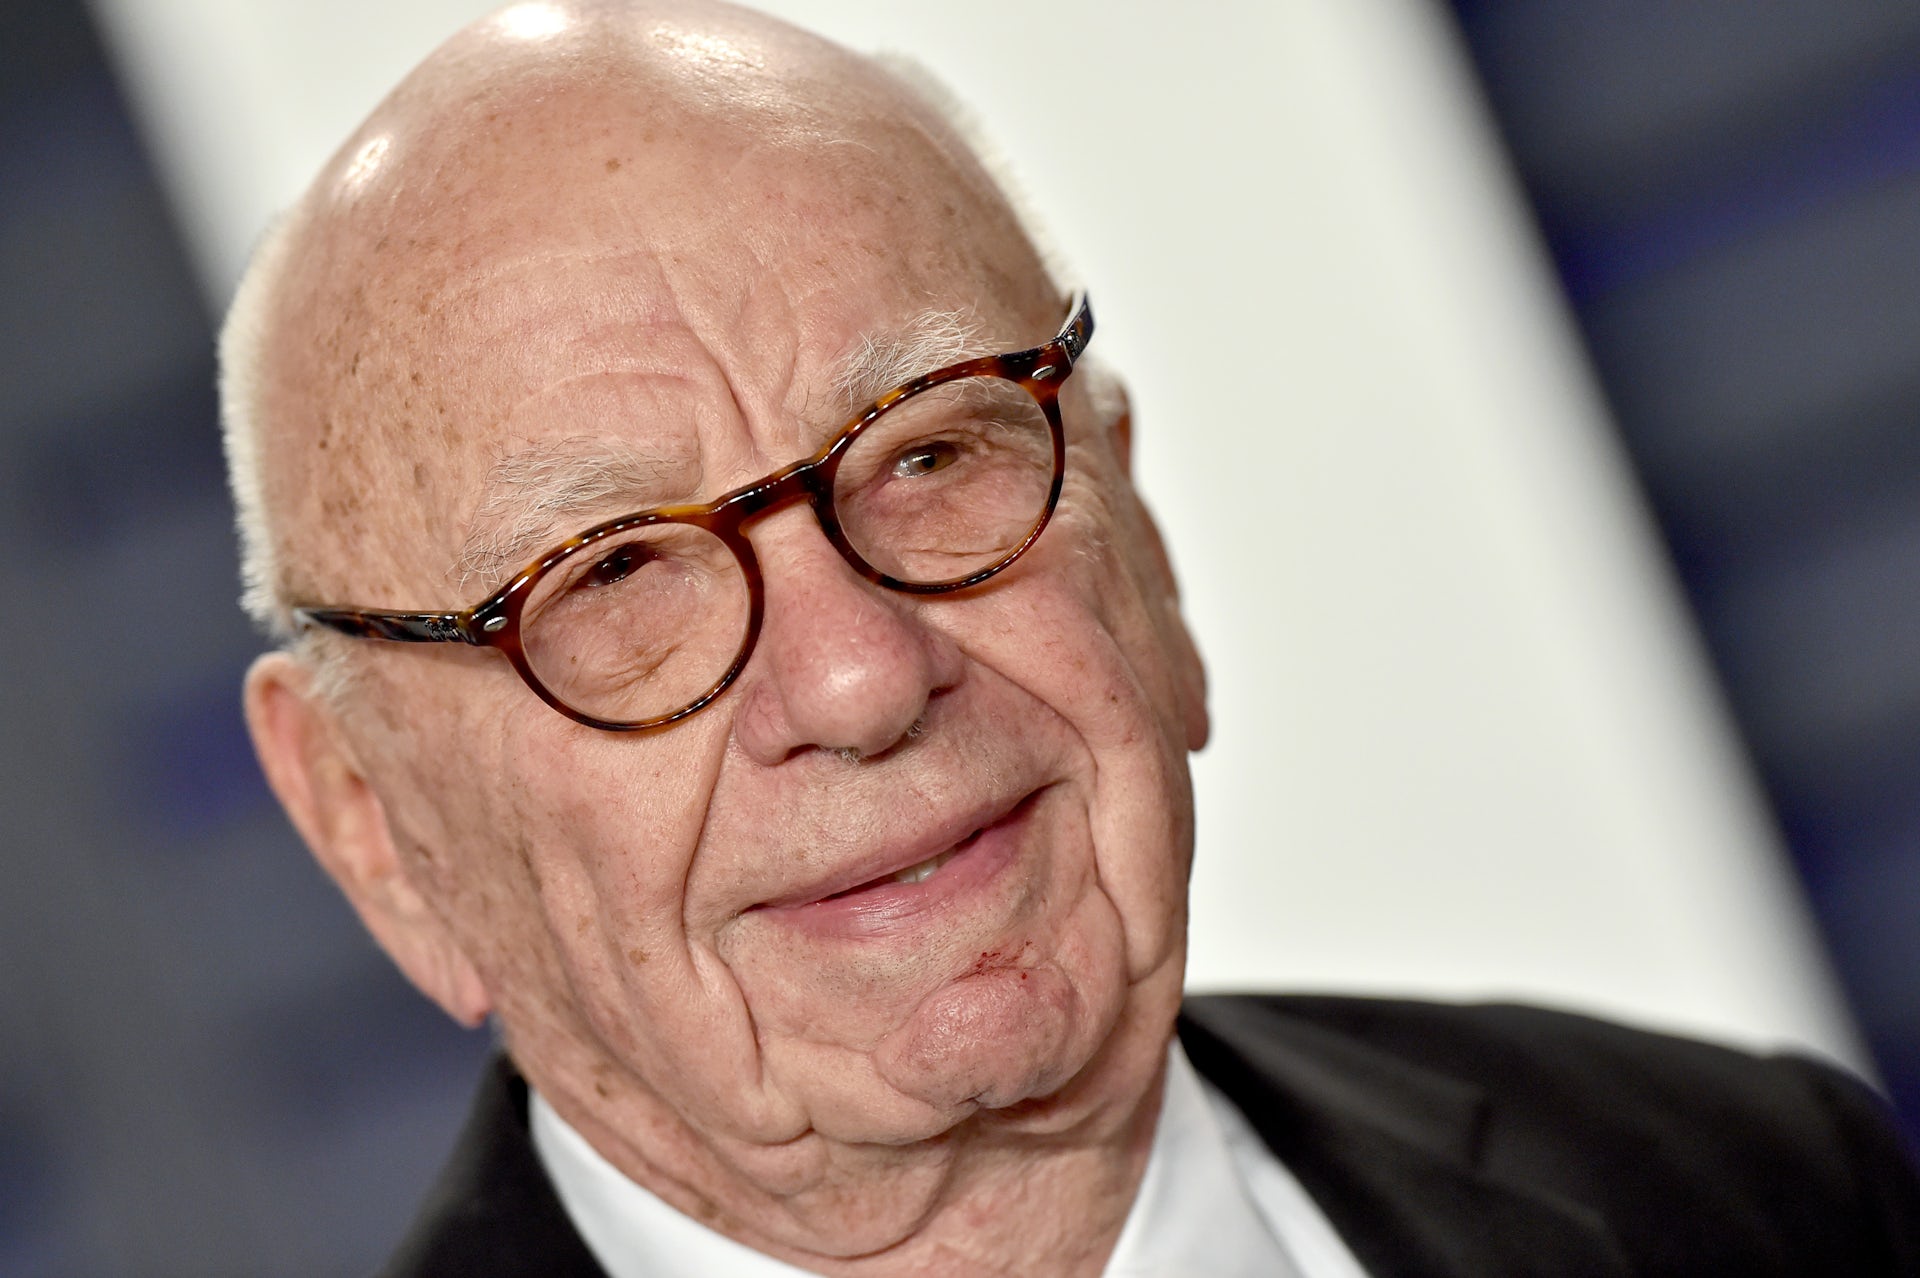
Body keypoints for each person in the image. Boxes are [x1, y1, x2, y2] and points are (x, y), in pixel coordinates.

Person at [220, 2, 1920, 1274]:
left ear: (1141, 539)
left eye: (933, 452)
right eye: (609, 578)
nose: (863, 676)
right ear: (374, 826)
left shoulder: (1754, 1188)